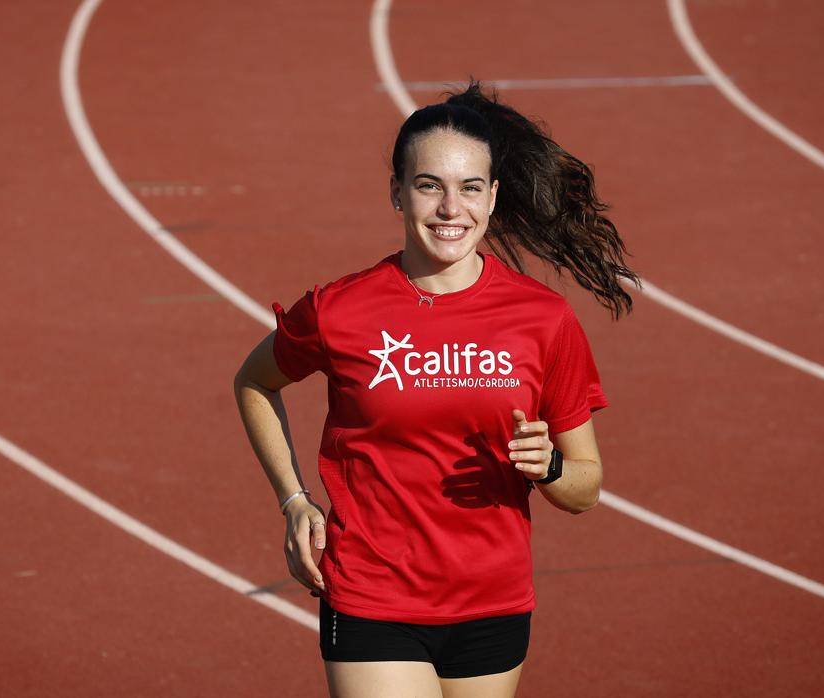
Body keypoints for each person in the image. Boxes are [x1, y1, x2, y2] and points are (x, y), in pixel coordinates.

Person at [233, 82, 639, 698]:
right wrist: (294, 501)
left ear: (493, 196)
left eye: (470, 188)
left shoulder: (544, 319)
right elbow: (255, 382)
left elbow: (586, 489)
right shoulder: (338, 309)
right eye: (430, 186)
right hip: (373, 593)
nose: (452, 208)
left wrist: (550, 467)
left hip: (493, 602)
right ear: (397, 192)